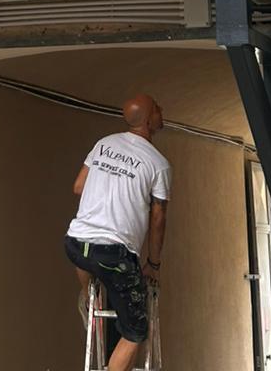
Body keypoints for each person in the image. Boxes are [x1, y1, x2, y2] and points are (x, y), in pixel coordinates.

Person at [64, 94, 169, 370]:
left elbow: (78, 186)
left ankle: (89, 296)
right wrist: (153, 263)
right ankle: (93, 298)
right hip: (115, 256)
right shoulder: (158, 163)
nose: (162, 110)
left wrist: (108, 188)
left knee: (87, 256)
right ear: (148, 121)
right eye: (157, 108)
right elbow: (158, 217)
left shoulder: (104, 144)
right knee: (135, 331)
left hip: (76, 243)